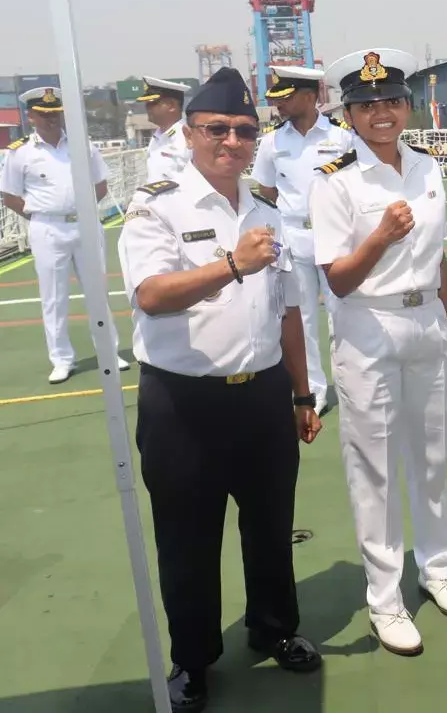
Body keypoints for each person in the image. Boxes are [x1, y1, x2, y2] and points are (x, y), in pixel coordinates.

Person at [118, 67, 324, 712]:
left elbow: (287, 309)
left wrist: (300, 392)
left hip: (261, 395)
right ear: (188, 134)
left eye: (243, 129)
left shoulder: (266, 207)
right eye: (216, 129)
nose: (231, 141)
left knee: (270, 526)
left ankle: (274, 628)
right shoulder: (156, 204)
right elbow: (151, 296)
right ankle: (193, 660)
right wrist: (233, 263)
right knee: (188, 539)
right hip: (183, 403)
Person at [310, 48, 447, 656]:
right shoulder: (335, 181)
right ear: (348, 115)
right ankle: (385, 597)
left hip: (425, 319)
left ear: (406, 107)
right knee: (374, 465)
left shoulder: (427, 168)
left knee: (431, 454)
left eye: (391, 102)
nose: (381, 113)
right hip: (368, 326)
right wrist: (380, 235)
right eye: (366, 105)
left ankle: (437, 568)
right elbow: (339, 279)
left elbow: (437, 260)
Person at [0, 86, 129, 383]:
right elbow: (10, 197)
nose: (52, 119)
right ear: (31, 116)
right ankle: (61, 359)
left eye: (56, 113)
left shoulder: (82, 145)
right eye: (44, 114)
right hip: (47, 228)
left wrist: (79, 211)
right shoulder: (20, 152)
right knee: (53, 297)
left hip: (85, 224)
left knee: (98, 291)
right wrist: (43, 216)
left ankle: (109, 351)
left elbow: (100, 185)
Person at [252, 65, 355, 414]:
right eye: (277, 99)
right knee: (303, 317)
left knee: (344, 313)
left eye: (287, 97)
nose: (279, 105)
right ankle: (313, 388)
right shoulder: (272, 142)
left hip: (336, 234)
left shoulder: (342, 137)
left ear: (311, 97)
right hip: (294, 235)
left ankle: (351, 381)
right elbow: (266, 191)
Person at [138, 76, 192, 182]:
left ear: (171, 106)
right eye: (147, 103)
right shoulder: (156, 137)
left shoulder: (188, 137)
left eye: (152, 102)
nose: (147, 108)